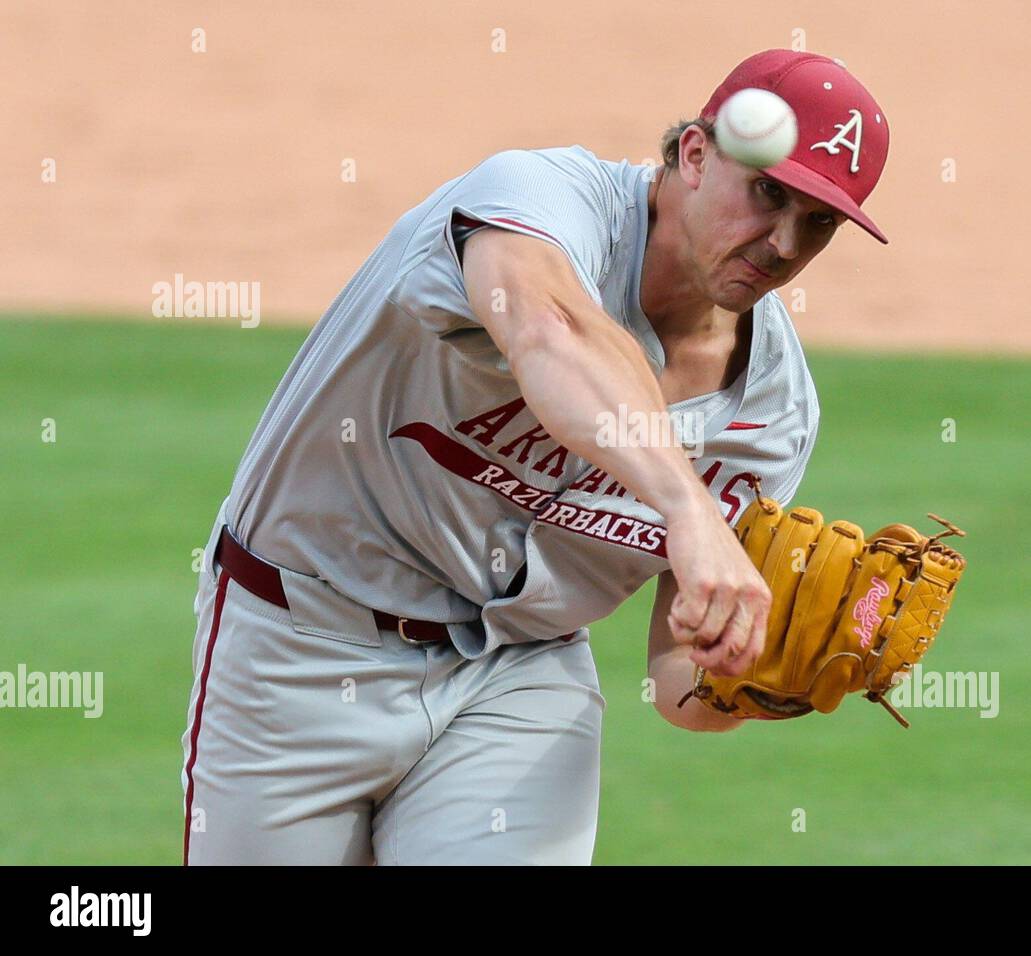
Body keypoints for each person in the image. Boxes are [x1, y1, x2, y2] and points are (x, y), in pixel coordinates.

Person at [181, 48, 890, 865]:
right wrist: (688, 508)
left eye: (819, 222)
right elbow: (553, 332)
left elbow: (674, 682)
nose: (783, 242)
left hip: (519, 678)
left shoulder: (772, 411)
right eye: (769, 192)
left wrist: (749, 675)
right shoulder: (539, 200)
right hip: (299, 639)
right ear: (694, 154)